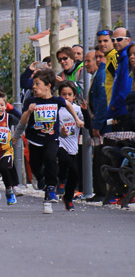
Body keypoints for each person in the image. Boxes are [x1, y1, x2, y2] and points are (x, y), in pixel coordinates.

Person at [12, 68, 82, 214]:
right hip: (35, 140)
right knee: (35, 166)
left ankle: (51, 189)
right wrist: (28, 113)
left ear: (48, 86)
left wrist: (77, 119)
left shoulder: (56, 101)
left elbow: (68, 104)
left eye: (37, 84)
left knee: (50, 158)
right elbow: (23, 121)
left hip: (51, 139)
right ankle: (43, 182)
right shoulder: (31, 101)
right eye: (33, 84)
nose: (34, 87)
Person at [55, 81, 85, 211]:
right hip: (59, 142)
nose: (66, 97)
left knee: (75, 174)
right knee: (64, 160)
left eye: (69, 94)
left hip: (73, 145)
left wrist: (84, 116)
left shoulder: (77, 110)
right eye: (63, 94)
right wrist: (60, 131)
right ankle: (61, 180)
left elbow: (85, 122)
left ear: (74, 96)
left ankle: (68, 198)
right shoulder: (57, 109)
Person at [85, 49, 108, 202]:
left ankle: (102, 191)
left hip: (102, 124)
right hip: (98, 122)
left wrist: (97, 124)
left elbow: (101, 101)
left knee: (101, 158)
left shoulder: (101, 75)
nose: (86, 64)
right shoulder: (97, 76)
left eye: (89, 60)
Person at [108, 27, 133, 122]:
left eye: (119, 39)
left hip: (123, 112)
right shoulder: (120, 59)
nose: (115, 42)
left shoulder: (127, 59)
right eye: (113, 40)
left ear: (128, 40)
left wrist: (114, 107)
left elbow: (125, 89)